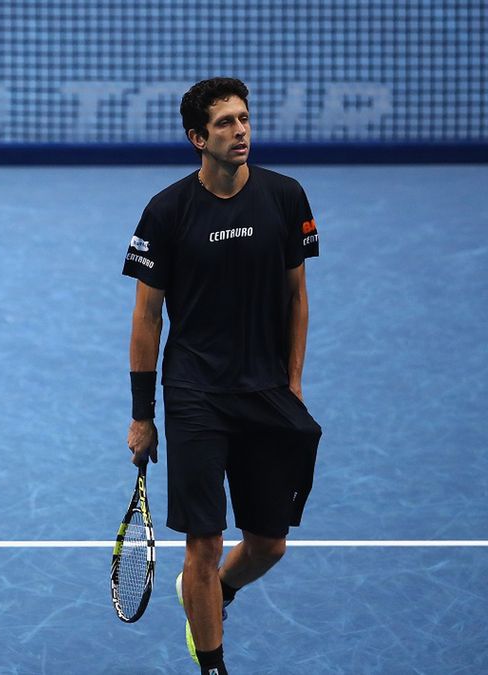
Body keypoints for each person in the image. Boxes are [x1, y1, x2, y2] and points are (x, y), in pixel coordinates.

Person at [122, 78, 323, 675]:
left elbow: (297, 298)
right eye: (225, 124)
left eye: (244, 119)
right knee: (203, 544)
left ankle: (216, 594)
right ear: (197, 138)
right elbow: (146, 315)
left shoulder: (286, 198)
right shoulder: (167, 211)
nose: (240, 131)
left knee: (268, 544)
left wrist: (293, 382)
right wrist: (142, 414)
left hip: (265, 391)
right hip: (195, 395)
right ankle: (213, 665)